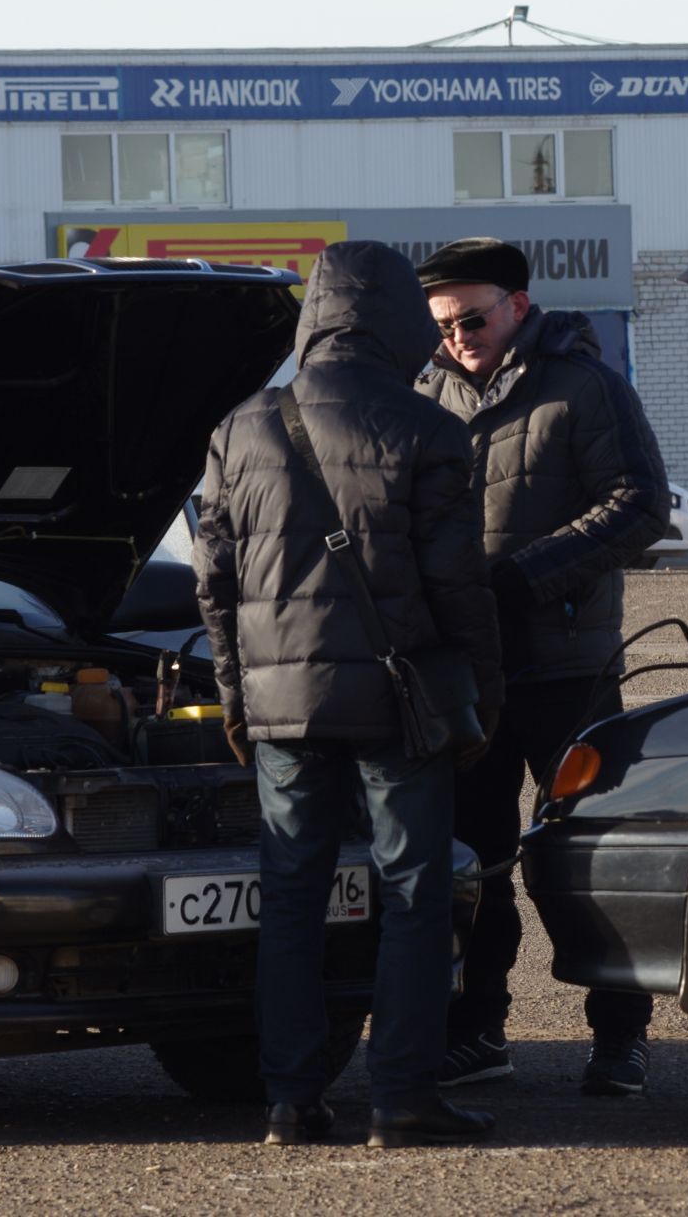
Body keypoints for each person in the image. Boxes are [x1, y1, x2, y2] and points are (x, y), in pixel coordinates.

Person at [194, 239, 505, 1149]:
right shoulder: (427, 429)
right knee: (413, 893)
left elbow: (213, 586)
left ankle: (291, 1101)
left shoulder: (241, 427)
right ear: (401, 321)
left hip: (282, 706)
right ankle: (403, 1096)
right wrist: (480, 696)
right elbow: (460, 589)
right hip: (399, 705)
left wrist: (235, 702)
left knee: (291, 893)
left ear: (315, 317)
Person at [414, 237, 670, 1096]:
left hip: (568, 669)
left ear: (519, 305)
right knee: (473, 867)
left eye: (473, 317)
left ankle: (620, 1038)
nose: (459, 337)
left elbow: (638, 506)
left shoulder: (587, 387)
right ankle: (479, 1032)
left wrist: (523, 578)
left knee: (587, 861)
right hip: (468, 675)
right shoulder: (423, 394)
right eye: (444, 324)